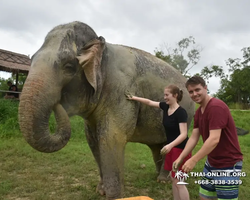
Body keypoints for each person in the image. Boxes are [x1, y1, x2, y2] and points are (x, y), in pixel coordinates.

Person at [173, 75, 243, 200]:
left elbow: (214, 139)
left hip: (228, 163)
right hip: (212, 161)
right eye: (191, 92)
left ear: (205, 88)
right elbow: (194, 137)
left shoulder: (216, 107)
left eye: (197, 90)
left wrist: (194, 160)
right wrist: (181, 157)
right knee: (204, 197)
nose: (194, 94)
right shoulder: (199, 112)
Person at [126, 85, 191, 200]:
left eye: (167, 95)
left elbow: (184, 134)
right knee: (173, 178)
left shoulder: (181, 113)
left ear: (175, 95)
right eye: (164, 94)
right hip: (171, 148)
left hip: (181, 149)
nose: (164, 97)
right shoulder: (166, 107)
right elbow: (150, 102)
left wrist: (170, 145)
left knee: (179, 181)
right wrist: (134, 98)